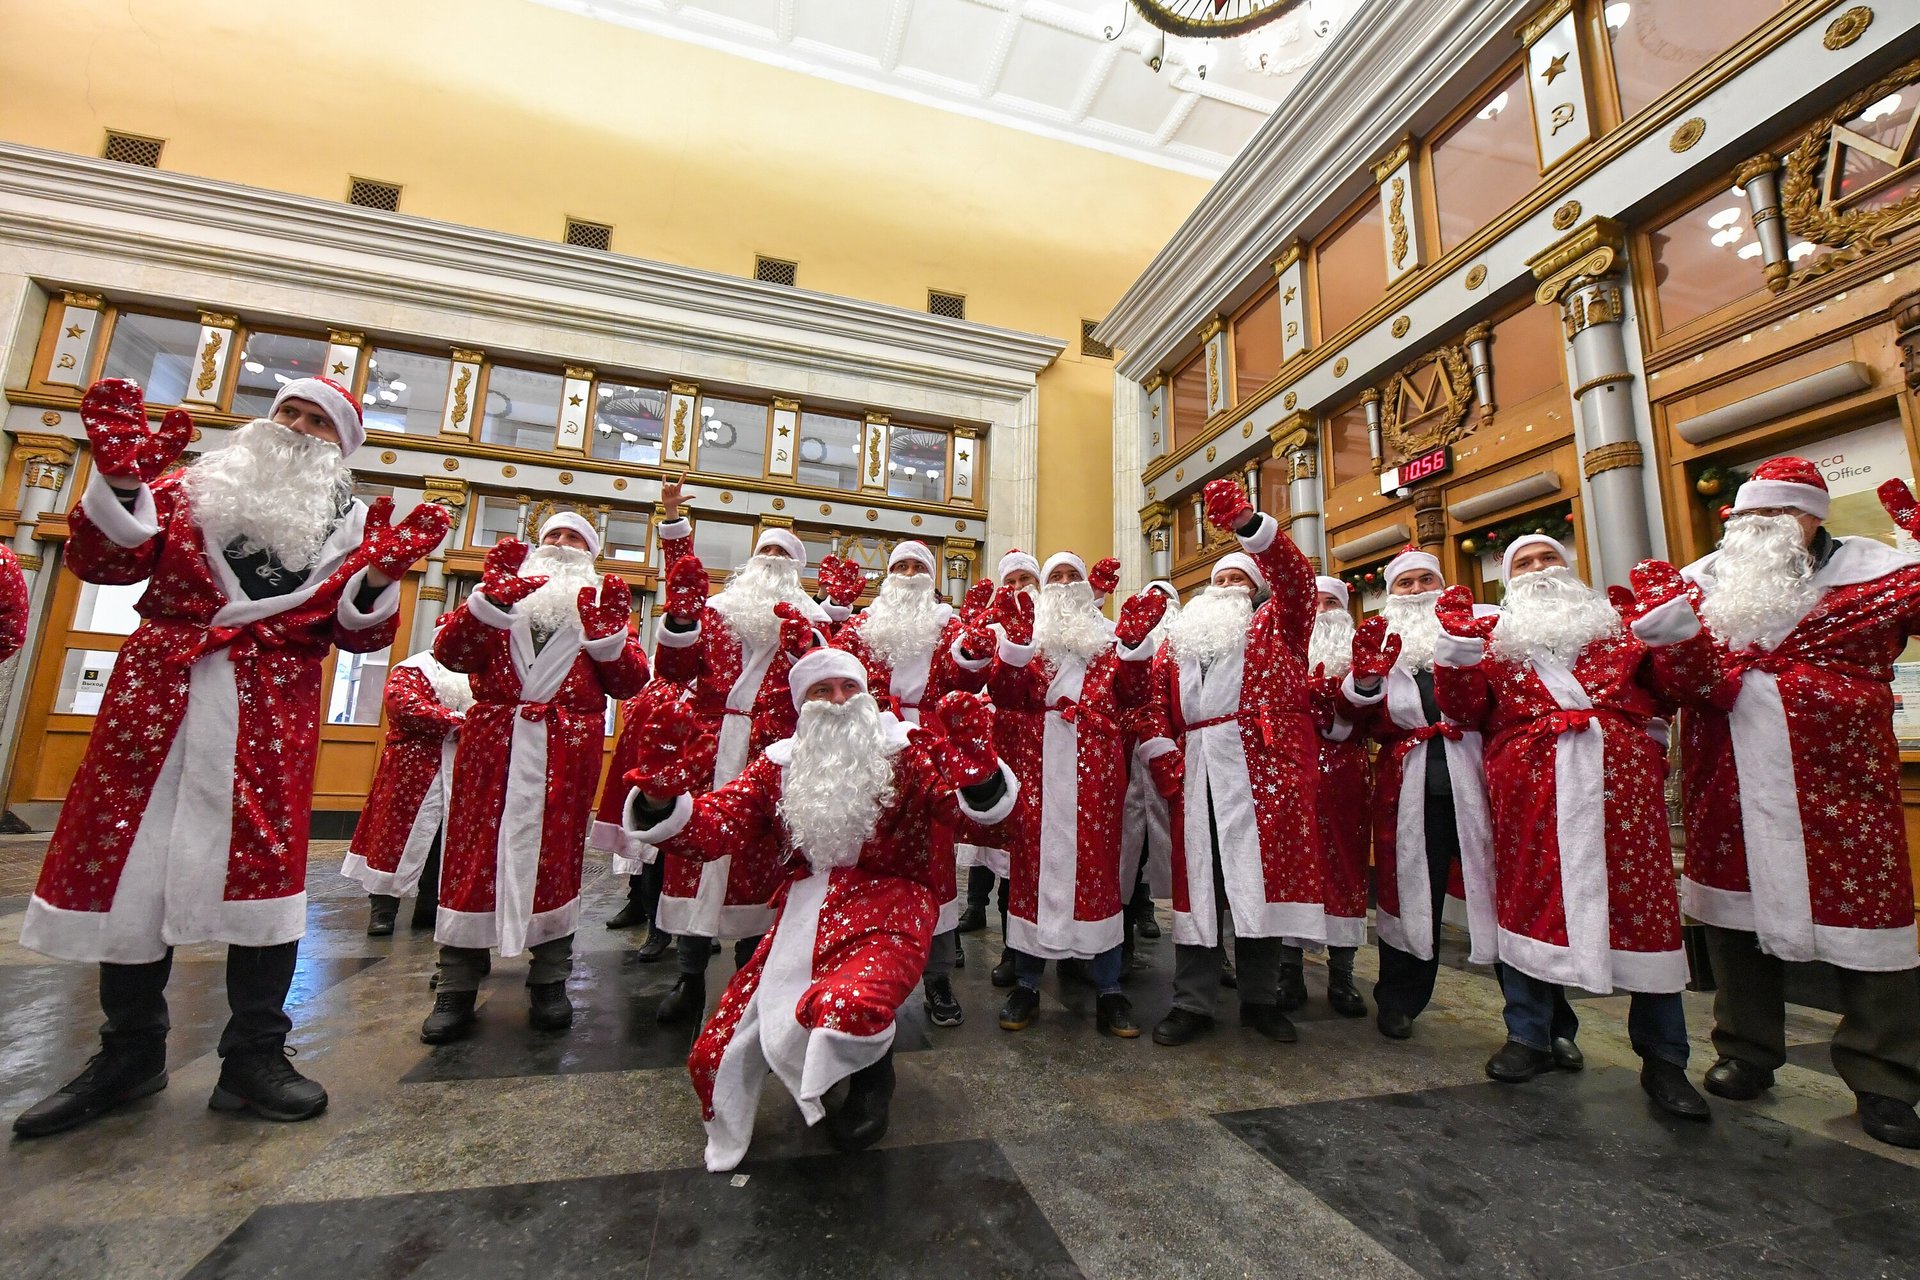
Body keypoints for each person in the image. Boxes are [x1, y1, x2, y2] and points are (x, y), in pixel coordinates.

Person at [15, 376, 447, 1137]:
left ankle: (254, 1057)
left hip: (269, 705)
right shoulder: (188, 487)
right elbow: (103, 565)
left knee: (263, 873)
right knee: (133, 869)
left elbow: (363, 636)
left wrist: (380, 577)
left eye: (320, 422)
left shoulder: (352, 528)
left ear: (341, 449)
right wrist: (120, 479)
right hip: (159, 696)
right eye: (290, 411)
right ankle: (129, 1053)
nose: (297, 427)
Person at [621, 649, 1016, 1171]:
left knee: (848, 1002)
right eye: (822, 691)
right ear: (800, 704)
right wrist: (657, 798)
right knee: (715, 1051)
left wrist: (982, 779)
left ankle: (874, 1077)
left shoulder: (907, 752)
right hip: (806, 910)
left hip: (892, 903)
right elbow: (718, 825)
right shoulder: (778, 765)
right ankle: (825, 1061)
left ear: (868, 697)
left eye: (849, 689)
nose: (838, 701)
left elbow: (981, 824)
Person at [1675, 459, 1920, 1147]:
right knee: (1733, 917)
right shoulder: (1702, 586)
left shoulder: (1874, 575)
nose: (1765, 528)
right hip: (1729, 779)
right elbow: (1671, 676)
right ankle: (1745, 1050)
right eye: (1753, 515)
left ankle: (1886, 1077)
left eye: (1783, 513)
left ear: (1816, 516)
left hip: (1842, 783)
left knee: (1870, 924)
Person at [1430, 536, 1711, 1118]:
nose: (1538, 571)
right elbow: (1461, 710)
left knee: (1643, 913)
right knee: (1531, 904)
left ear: (1571, 567)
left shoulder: (1621, 629)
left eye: (1548, 559)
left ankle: (1665, 1058)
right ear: (1507, 581)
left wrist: (1673, 626)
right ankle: (1529, 1035)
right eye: (1523, 563)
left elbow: (1685, 689)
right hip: (1529, 790)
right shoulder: (1493, 645)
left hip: (1620, 792)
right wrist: (1454, 649)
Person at [418, 512, 648, 1043]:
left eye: (575, 539)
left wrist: (610, 635)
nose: (563, 546)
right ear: (536, 546)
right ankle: (457, 981)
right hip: (493, 741)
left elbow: (629, 681)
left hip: (566, 749)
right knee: (472, 852)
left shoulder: (603, 607)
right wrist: (490, 602)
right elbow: (451, 655)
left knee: (557, 854)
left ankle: (551, 977)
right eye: (554, 537)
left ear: (591, 554)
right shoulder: (500, 593)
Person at [1138, 480, 1325, 1047]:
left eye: (1239, 577)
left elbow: (1297, 581)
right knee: (1200, 890)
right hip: (1195, 775)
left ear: (1257, 591)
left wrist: (1250, 526)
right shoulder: (1178, 642)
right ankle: (1191, 1002)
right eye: (1219, 578)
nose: (1225, 585)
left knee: (1256, 887)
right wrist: (1164, 754)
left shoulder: (1281, 628)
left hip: (1259, 776)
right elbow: (1151, 706)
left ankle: (1260, 1000)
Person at [649, 481, 831, 1026]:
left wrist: (811, 648)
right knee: (697, 861)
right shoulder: (715, 612)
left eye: (784, 553)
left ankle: (751, 975)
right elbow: (674, 670)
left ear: (798, 569)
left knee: (760, 866)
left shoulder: (813, 621)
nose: (773, 559)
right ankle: (688, 975)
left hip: (773, 758)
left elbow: (831, 689)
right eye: (766, 551)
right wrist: (679, 616)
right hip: (709, 749)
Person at [988, 551, 1164, 1037]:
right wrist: (1016, 648)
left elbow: (1134, 697)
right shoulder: (1030, 638)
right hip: (1038, 764)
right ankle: (1026, 982)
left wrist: (1133, 647)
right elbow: (1004, 695)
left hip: (1095, 769)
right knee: (1031, 867)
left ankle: (1109, 988)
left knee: (1098, 869)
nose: (1064, 584)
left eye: (1073, 576)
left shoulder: (1108, 639)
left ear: (1088, 585)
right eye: (1056, 577)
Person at [831, 539, 994, 1027]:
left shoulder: (948, 628)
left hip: (929, 749)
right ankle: (853, 965)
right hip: (867, 750)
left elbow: (966, 680)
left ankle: (938, 976)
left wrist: (975, 646)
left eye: (915, 567)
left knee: (934, 862)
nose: (905, 574)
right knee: (864, 857)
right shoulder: (861, 626)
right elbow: (834, 674)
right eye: (898, 566)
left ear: (931, 579)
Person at [1341, 546, 1498, 1041]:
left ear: (1442, 585)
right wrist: (1363, 683)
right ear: (1389, 595)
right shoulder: (1378, 645)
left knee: (1504, 895)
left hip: (1479, 778)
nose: (1415, 592)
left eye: (1424, 581)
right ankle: (1398, 999)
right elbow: (1354, 721)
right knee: (1408, 890)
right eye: (1404, 584)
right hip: (1407, 783)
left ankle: (1538, 1019)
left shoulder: (1482, 635)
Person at [341, 628, 471, 936]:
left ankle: (430, 905)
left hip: (458, 773)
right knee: (393, 839)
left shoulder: (474, 674)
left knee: (444, 841)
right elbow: (403, 706)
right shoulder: (413, 668)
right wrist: (459, 722)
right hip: (411, 774)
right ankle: (383, 909)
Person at [956, 549, 1040, 989]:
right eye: (1014, 579)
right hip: (990, 741)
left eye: (1028, 578)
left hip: (1035, 748)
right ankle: (975, 907)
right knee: (989, 838)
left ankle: (1016, 945)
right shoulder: (985, 624)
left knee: (1018, 854)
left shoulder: (1046, 624)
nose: (1020, 586)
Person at [1290, 575, 1368, 1019]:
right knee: (1291, 861)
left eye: (1329, 603)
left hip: (1345, 772)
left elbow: (1378, 714)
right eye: (1314, 603)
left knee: (1345, 864)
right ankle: (1288, 970)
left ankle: (1342, 972)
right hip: (1291, 766)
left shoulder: (1360, 652)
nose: (1321, 610)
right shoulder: (1285, 649)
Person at [593, 674, 681, 962]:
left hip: (697, 778)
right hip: (656, 780)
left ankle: (695, 932)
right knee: (652, 856)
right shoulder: (660, 687)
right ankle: (655, 925)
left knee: (692, 863)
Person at [1118, 579, 1181, 953]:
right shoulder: (1127, 643)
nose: (1158, 607)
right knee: (1127, 844)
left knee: (1166, 841)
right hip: (1128, 755)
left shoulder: (1183, 644)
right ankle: (1125, 923)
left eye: (1165, 600)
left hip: (1172, 754)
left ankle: (1147, 908)